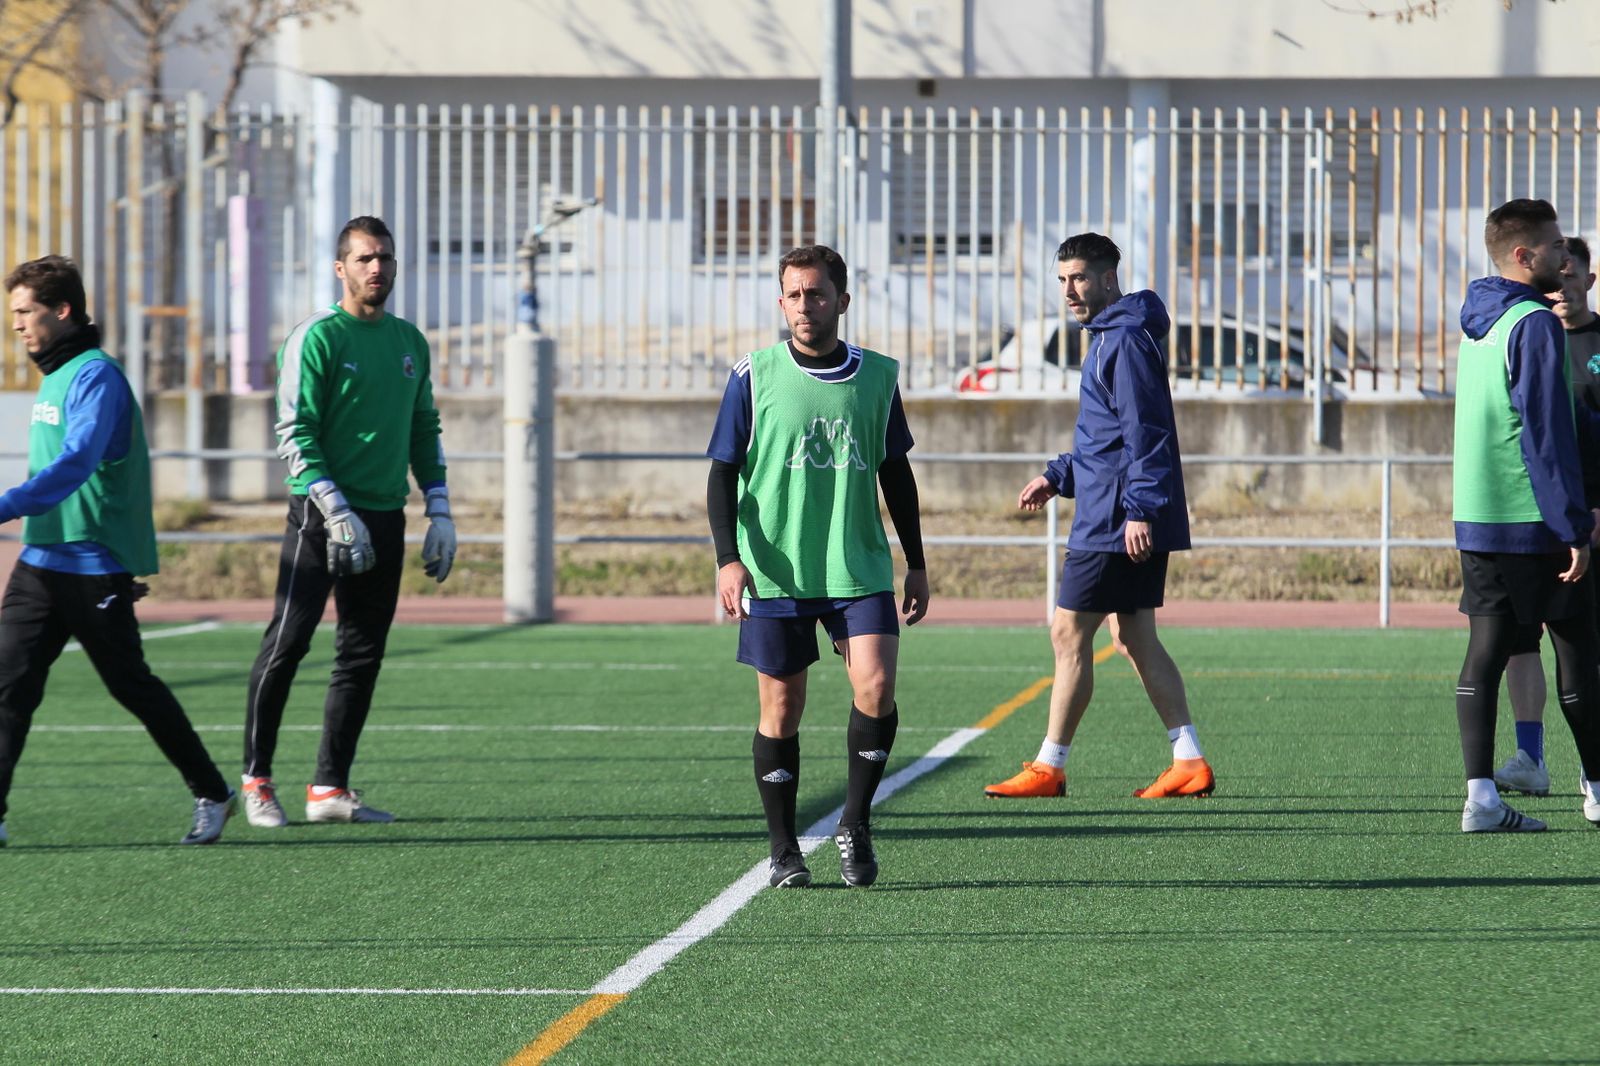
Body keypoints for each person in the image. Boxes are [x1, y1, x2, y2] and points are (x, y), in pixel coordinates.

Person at [707, 244, 929, 889]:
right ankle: (783, 850)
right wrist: (728, 559)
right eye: (794, 294)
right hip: (775, 569)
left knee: (877, 688)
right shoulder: (753, 374)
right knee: (782, 708)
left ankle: (854, 823)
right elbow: (722, 472)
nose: (805, 305)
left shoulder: (878, 376)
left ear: (842, 300)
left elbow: (897, 473)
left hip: (856, 565)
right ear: (782, 301)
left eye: (817, 293)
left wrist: (916, 563)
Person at [0, 255, 234, 846]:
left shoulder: (95, 376)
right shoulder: (53, 374)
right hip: (41, 561)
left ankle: (213, 792)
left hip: (93, 565)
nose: (17, 325)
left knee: (132, 686)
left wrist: (5, 505)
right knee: (8, 684)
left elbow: (77, 463)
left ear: (63, 310)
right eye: (13, 315)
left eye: (25, 312)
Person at [241, 216, 455, 828]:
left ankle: (328, 789)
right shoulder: (316, 338)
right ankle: (256, 780)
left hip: (386, 516)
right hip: (320, 513)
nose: (377, 268)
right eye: (364, 258)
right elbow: (293, 430)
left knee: (362, 654)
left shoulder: (411, 342)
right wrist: (334, 508)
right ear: (341, 268)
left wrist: (438, 507)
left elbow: (423, 428)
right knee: (287, 643)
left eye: (385, 258)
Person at [984, 233, 1211, 802]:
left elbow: (1146, 433)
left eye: (1079, 278)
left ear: (1110, 278)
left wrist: (1139, 509)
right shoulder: (1112, 337)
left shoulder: (1125, 340)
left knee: (1068, 631)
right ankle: (1188, 758)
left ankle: (1050, 765)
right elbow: (1104, 435)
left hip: (1114, 518)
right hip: (1113, 507)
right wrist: (1059, 474)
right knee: (1133, 635)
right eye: (1062, 280)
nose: (1069, 290)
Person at [1452, 197, 1600, 832]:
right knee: (1577, 652)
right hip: (1530, 520)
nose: (1564, 254)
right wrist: (1572, 526)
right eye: (1554, 245)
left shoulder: (1481, 320)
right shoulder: (1534, 323)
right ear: (1523, 255)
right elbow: (1545, 434)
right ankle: (1596, 789)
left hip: (1477, 514)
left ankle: (1481, 799)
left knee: (1485, 653)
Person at [1496, 235, 1600, 799]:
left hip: (1585, 519)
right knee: (1518, 640)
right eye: (1556, 274)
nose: (1563, 285)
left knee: (1584, 649)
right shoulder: (1520, 336)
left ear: (1588, 280)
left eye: (1572, 275)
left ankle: (1593, 766)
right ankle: (1530, 757)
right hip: (1530, 519)